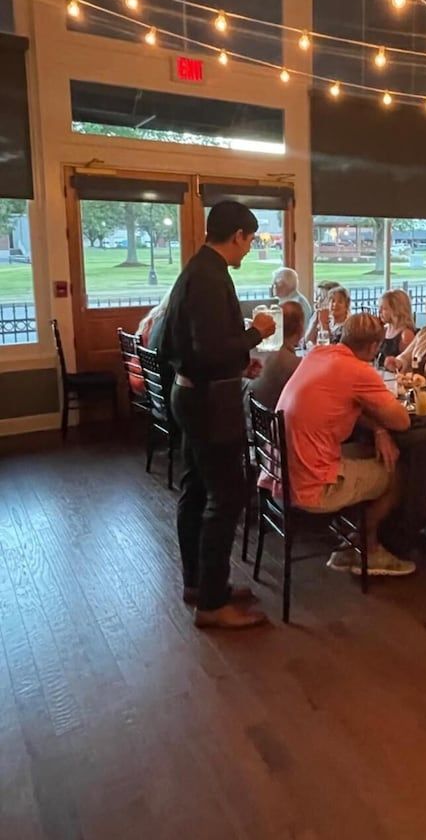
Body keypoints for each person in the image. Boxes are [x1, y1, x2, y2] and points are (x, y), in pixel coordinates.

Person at [162, 200, 277, 630]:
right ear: (238, 237)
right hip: (210, 403)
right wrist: (255, 334)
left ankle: (200, 584)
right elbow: (210, 348)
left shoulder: (197, 270)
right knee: (225, 497)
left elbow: (189, 346)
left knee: (196, 491)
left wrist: (237, 362)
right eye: (249, 242)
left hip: (192, 394)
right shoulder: (210, 278)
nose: (249, 250)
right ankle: (211, 603)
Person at [274, 313, 415, 576]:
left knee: (371, 454)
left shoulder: (318, 354)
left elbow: (345, 403)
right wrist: (384, 426)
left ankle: (353, 541)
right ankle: (368, 548)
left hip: (282, 471)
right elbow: (403, 421)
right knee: (399, 471)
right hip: (312, 486)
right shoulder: (359, 370)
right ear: (374, 347)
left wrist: (378, 429)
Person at [244, 300, 305, 412]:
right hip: (275, 425)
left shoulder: (257, 353)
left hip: (251, 420)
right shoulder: (295, 366)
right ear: (300, 329)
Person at [377, 289, 416, 365]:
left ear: (396, 310)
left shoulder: (406, 334)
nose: (379, 311)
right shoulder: (384, 330)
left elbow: (408, 363)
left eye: (384, 308)